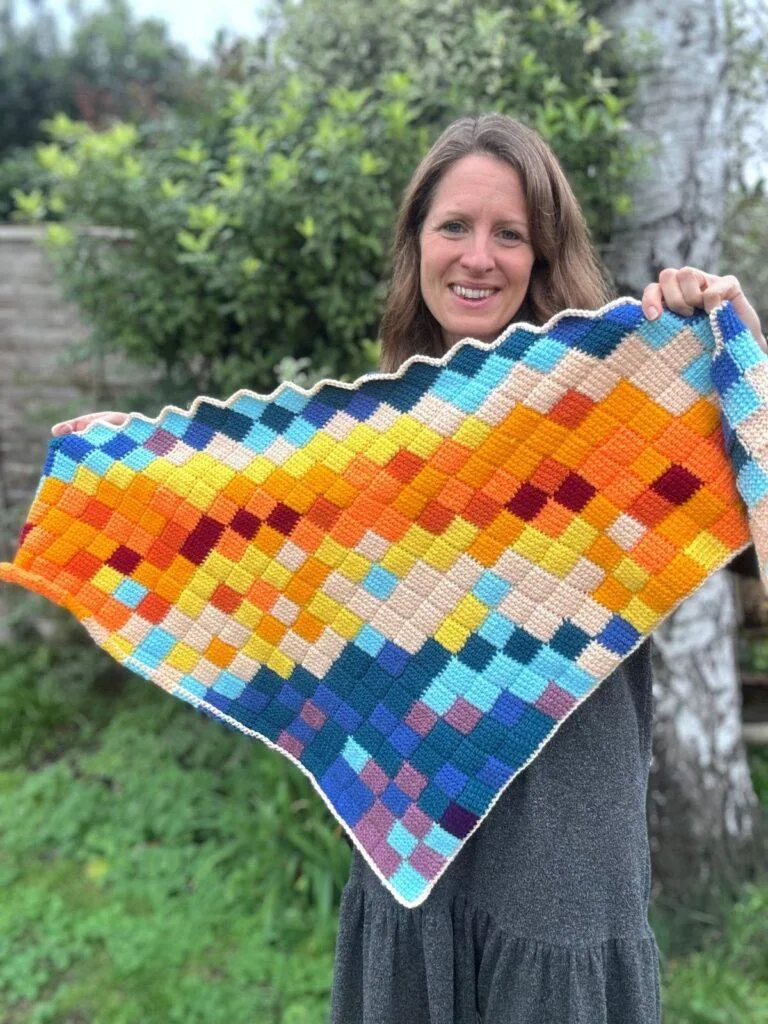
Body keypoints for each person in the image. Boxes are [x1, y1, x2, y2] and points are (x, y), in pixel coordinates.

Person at [52, 114, 765, 1023]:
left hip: (567, 817)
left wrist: (731, 341)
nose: (479, 256)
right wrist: (102, 491)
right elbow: (233, 526)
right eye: (454, 227)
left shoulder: (620, 408)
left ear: (544, 254)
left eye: (511, 233)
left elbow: (749, 462)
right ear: (416, 243)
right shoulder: (372, 441)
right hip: (406, 812)